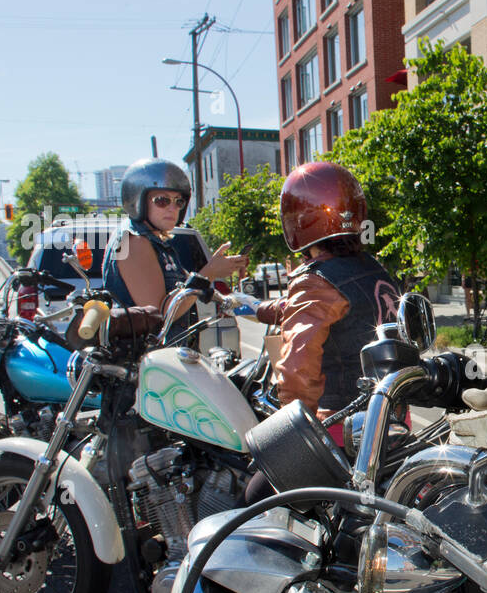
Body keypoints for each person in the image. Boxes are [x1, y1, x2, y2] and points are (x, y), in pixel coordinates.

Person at [249, 161, 401, 419]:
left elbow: (298, 369)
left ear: (297, 219)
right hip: (391, 412)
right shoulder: (373, 268)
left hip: (343, 423)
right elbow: (340, 314)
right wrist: (259, 308)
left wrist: (295, 427)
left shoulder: (315, 281)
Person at [101, 158, 246, 321]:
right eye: (162, 200)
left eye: (179, 201)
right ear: (137, 200)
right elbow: (161, 314)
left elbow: (186, 288)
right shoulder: (133, 241)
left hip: (172, 345)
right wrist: (210, 272)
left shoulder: (156, 242)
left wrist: (236, 299)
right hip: (151, 346)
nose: (172, 208)